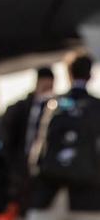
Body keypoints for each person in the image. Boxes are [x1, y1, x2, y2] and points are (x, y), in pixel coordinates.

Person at [27, 52, 100, 220]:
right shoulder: (96, 107)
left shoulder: (53, 104)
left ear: (68, 73)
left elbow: (36, 147)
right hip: (88, 193)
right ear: (90, 75)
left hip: (50, 192)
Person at [1, 66, 55, 215]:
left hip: (45, 171)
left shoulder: (56, 108)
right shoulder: (20, 109)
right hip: (22, 169)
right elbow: (7, 140)